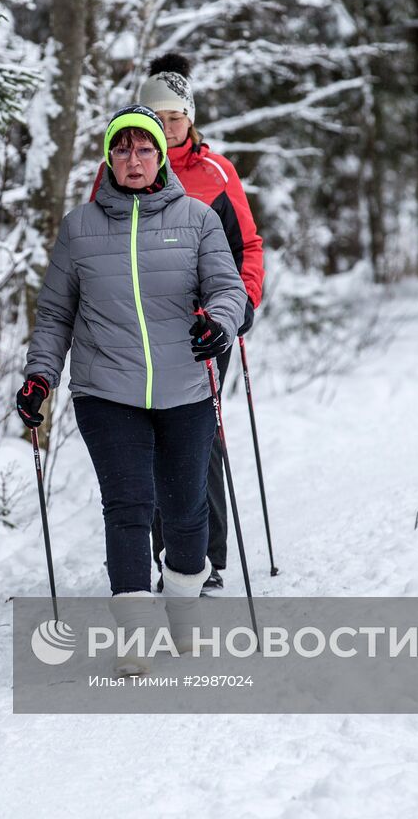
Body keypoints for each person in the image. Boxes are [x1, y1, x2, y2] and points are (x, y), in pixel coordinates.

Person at [17, 105, 247, 676]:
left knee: (186, 508)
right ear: (109, 158)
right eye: (123, 149)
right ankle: (137, 639)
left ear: (161, 155)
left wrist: (217, 324)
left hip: (186, 386)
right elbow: (54, 315)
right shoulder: (80, 228)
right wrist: (40, 377)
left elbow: (227, 286)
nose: (134, 159)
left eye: (145, 149)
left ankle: (184, 611)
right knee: (129, 506)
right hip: (106, 391)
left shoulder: (197, 219)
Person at [91, 54, 266, 593]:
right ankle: (162, 558)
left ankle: (205, 561)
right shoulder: (118, 168)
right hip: (137, 331)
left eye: (175, 117)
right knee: (143, 446)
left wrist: (238, 309)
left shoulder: (216, 173)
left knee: (196, 443)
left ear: (190, 119)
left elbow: (248, 248)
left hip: (201, 332)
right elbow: (97, 245)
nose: (165, 127)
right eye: (156, 116)